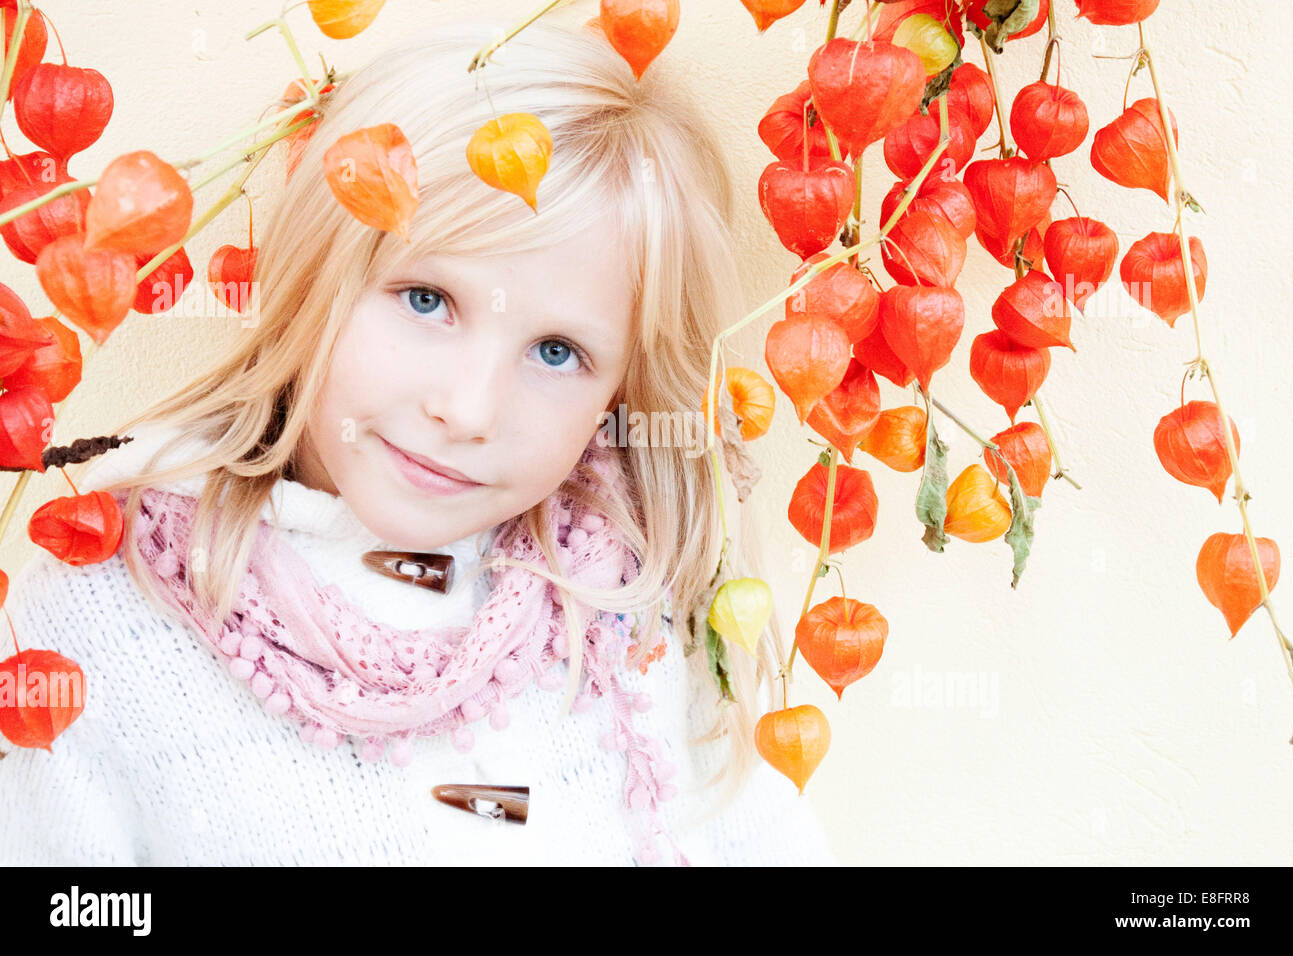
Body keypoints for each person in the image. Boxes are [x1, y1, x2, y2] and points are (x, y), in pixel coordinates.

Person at [0, 17, 838, 866]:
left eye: (558, 353)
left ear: (618, 391)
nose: (470, 409)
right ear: (319, 272)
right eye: (427, 300)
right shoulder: (100, 617)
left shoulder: (629, 593)